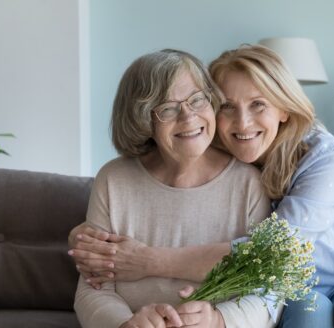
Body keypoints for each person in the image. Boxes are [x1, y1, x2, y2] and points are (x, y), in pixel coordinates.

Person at [69, 45, 334, 327]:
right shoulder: (219, 147)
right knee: (310, 313)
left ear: (284, 107)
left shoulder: (320, 156)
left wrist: (149, 261)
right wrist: (82, 237)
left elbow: (271, 254)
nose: (242, 123)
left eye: (258, 104)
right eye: (227, 106)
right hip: (295, 290)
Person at [73, 48, 281, 328]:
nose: (188, 117)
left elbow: (267, 291)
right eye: (168, 108)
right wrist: (125, 323)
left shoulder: (248, 183)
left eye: (197, 100)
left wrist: (220, 320)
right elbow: (92, 288)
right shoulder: (113, 180)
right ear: (143, 119)